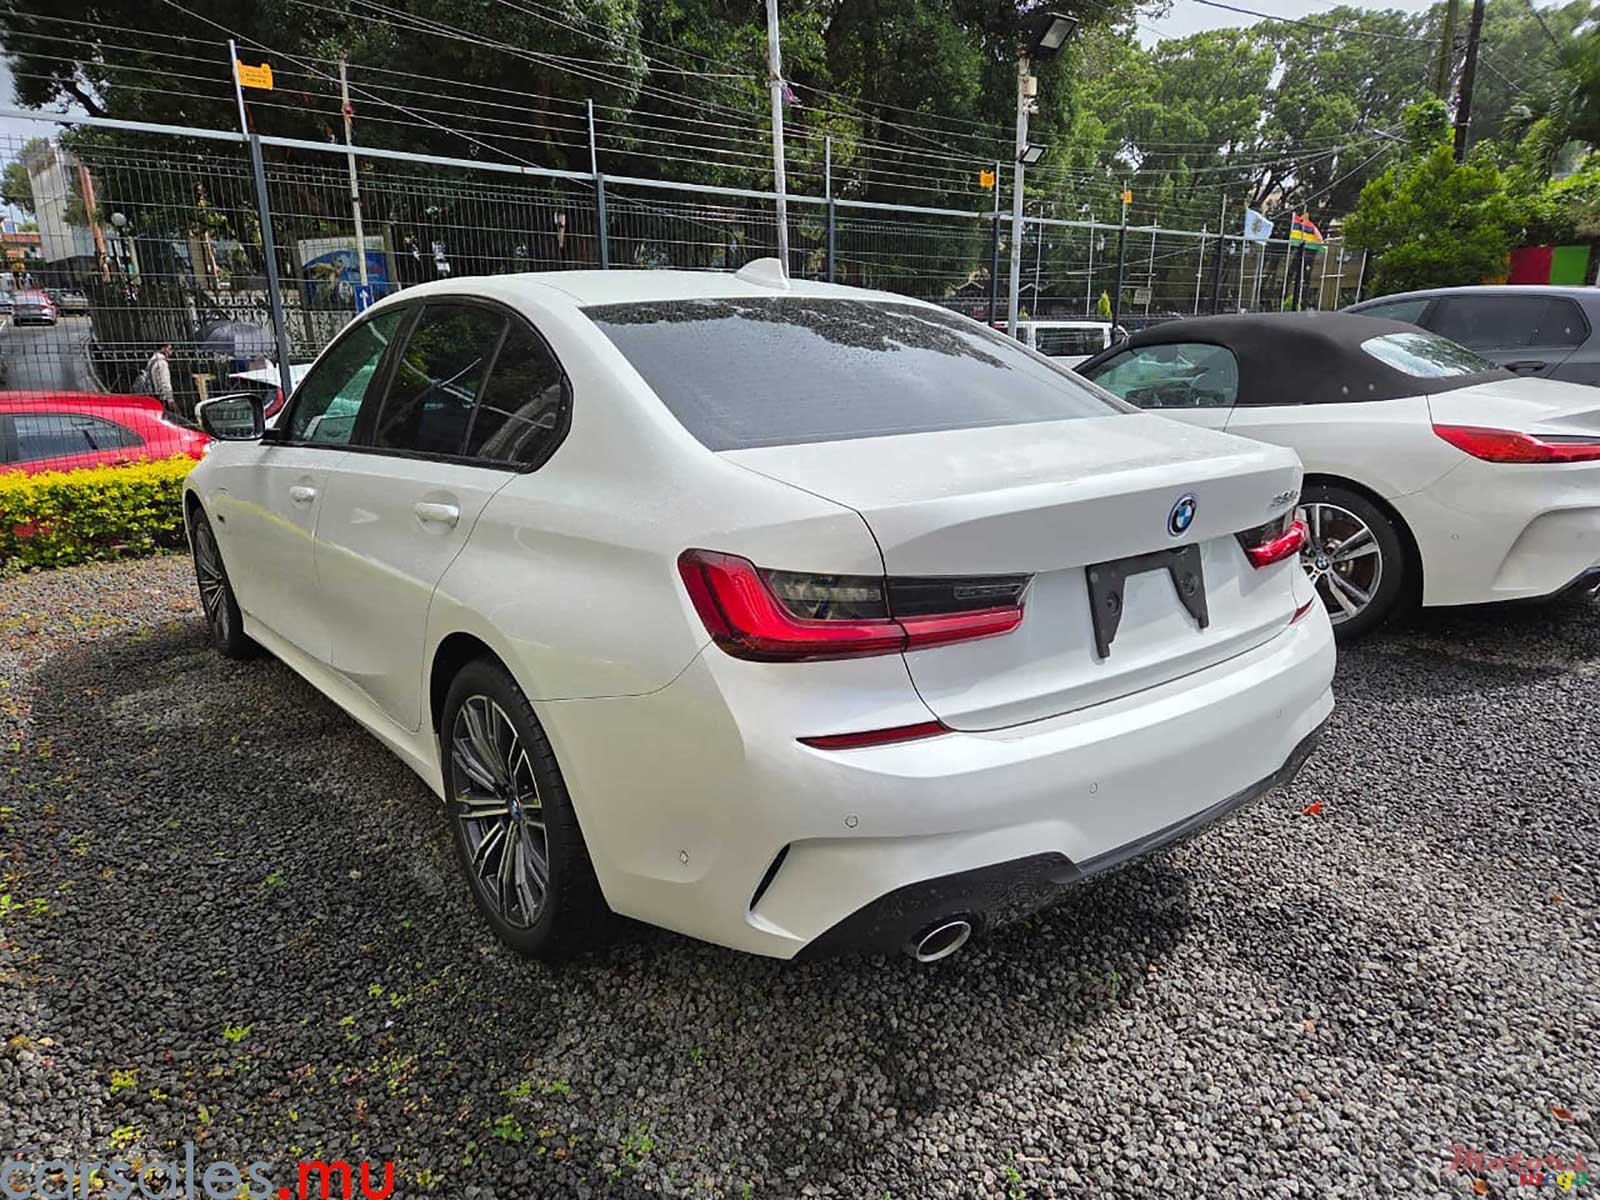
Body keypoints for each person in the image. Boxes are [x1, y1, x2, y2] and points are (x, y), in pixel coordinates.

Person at [138, 343, 176, 416]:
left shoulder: (152, 360)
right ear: (163, 348)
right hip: (162, 398)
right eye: (170, 349)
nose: (171, 352)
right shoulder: (162, 363)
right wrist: (170, 400)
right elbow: (164, 383)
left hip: (154, 395)